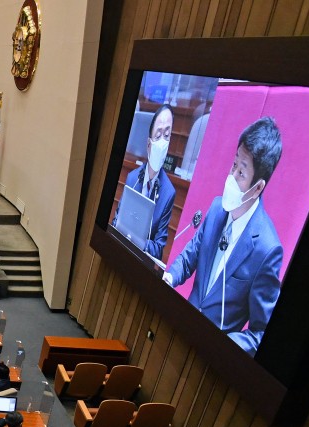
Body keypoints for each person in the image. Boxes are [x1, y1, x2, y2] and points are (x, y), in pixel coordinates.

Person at [162, 117, 283, 355]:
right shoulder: (217, 209)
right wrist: (169, 277)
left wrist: (223, 346)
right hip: (180, 329)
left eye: (241, 172)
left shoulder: (267, 250)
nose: (232, 176)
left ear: (258, 187)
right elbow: (190, 257)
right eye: (233, 165)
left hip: (212, 358)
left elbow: (260, 333)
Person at [116, 104, 177, 261]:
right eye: (158, 135)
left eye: (167, 135)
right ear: (149, 144)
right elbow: (117, 220)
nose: (162, 142)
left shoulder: (168, 193)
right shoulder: (132, 178)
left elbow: (158, 249)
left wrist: (138, 241)